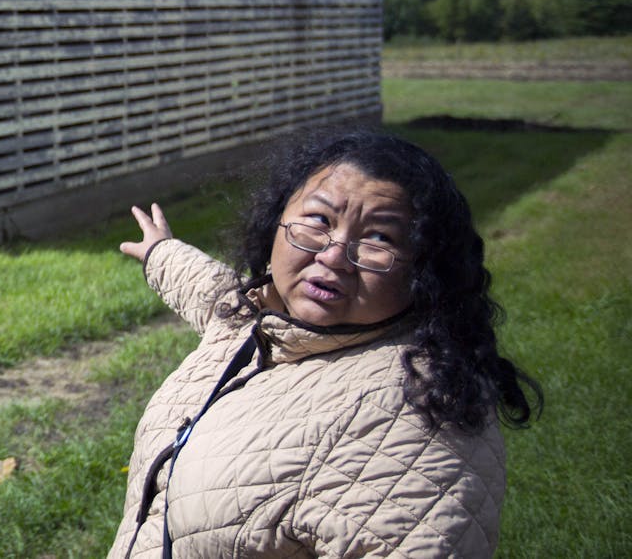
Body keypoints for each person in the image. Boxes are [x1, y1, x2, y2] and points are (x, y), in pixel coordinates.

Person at [108, 127, 540, 559]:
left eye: (380, 238)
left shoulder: (416, 412)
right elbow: (213, 292)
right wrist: (161, 253)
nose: (333, 256)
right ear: (277, 220)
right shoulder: (262, 322)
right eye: (319, 221)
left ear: (425, 270)